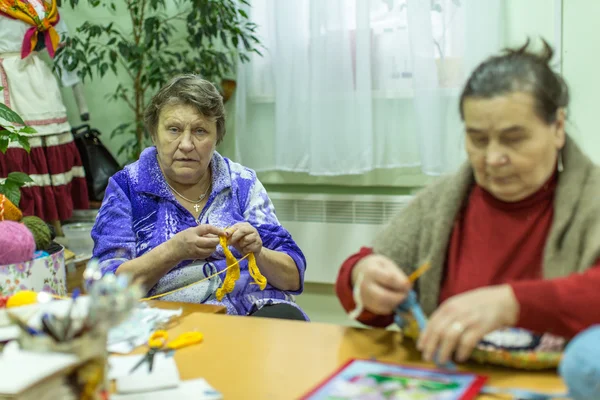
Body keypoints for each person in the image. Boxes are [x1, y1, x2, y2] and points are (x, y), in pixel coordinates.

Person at [335, 39, 600, 363]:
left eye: (514, 139)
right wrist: (362, 277)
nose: (493, 158)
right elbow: (359, 289)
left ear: (557, 127)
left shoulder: (592, 200)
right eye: (477, 140)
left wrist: (510, 303)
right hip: (452, 378)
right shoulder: (441, 204)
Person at [91, 74, 307, 320]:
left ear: (217, 138)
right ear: (154, 134)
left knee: (288, 324)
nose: (186, 144)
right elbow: (105, 291)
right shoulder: (127, 187)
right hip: (169, 319)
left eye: (200, 131)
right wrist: (175, 250)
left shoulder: (241, 182)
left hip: (256, 310)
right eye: (173, 129)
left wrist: (258, 252)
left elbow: (292, 277)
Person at [0, 0, 89, 225]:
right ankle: (15, 226)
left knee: (48, 146)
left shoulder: (45, 6)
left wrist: (82, 105)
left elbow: (63, 51)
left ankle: (53, 225)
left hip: (39, 79)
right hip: (7, 80)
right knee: (13, 150)